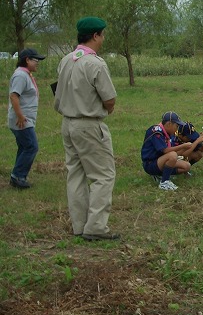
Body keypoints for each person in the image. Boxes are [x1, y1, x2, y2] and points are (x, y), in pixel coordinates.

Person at [54, 16, 119, 241]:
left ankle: (79, 225)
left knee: (75, 174)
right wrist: (104, 110)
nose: (103, 38)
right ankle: (96, 227)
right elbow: (109, 99)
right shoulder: (95, 63)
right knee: (103, 175)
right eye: (102, 34)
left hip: (68, 123)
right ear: (95, 36)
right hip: (89, 124)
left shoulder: (66, 60)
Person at [7, 48, 46, 189]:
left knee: (24, 147)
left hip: (24, 119)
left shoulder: (25, 75)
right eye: (36, 60)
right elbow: (14, 96)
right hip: (22, 120)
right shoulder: (20, 76)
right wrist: (20, 116)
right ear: (27, 60)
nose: (38, 63)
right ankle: (18, 177)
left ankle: (17, 176)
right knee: (31, 146)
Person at [142, 112, 203, 190]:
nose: (177, 128)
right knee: (172, 155)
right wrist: (183, 146)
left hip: (160, 160)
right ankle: (164, 182)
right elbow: (165, 150)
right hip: (150, 164)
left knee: (186, 166)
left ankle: (161, 175)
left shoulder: (169, 133)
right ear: (169, 124)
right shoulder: (156, 132)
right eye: (176, 126)